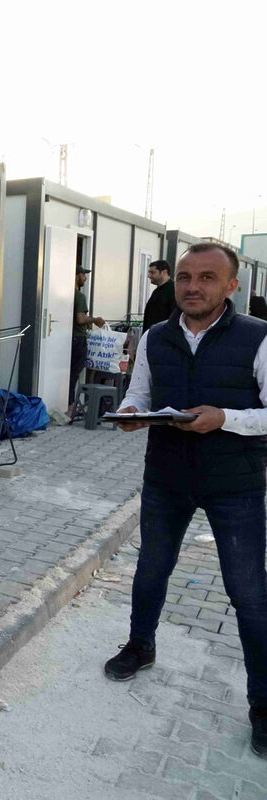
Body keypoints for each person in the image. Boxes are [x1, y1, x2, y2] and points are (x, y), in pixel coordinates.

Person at [106, 242, 267, 757]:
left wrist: (225, 417)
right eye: (183, 277)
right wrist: (132, 412)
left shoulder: (258, 338)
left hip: (235, 485)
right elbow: (141, 393)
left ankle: (262, 706)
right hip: (167, 479)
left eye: (206, 277)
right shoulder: (156, 336)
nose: (192, 287)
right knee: (151, 570)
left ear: (231, 286)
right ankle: (140, 646)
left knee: (249, 596)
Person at [70, 265, 106, 416]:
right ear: (77, 275)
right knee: (74, 374)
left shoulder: (69, 294)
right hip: (78, 340)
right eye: (83, 274)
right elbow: (80, 319)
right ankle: (71, 408)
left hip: (70, 339)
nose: (85, 277)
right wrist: (94, 319)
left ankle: (70, 406)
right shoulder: (79, 296)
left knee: (70, 374)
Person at [142, 259, 177, 329]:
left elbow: (175, 317)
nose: (149, 276)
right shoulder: (156, 292)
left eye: (152, 272)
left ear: (164, 272)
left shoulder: (174, 291)